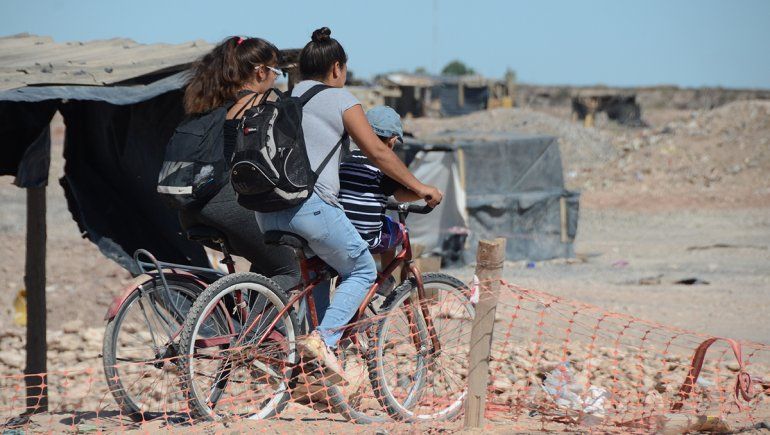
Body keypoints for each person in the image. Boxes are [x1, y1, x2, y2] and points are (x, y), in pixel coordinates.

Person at [255, 27, 443, 383]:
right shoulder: (342, 100)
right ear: (337, 68)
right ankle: (324, 342)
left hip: (267, 211)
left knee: (321, 276)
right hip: (309, 210)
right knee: (361, 269)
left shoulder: (285, 98)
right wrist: (421, 187)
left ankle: (315, 368)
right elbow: (376, 152)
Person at [179, 36, 299, 292]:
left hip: (191, 207)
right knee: (288, 270)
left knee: (268, 261)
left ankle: (255, 328)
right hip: (225, 203)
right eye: (276, 72)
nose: (276, 79)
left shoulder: (209, 104)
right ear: (260, 72)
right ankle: (254, 333)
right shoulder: (259, 105)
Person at [338, 106, 420, 293]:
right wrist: (424, 195)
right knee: (396, 229)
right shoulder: (384, 167)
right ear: (391, 141)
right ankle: (385, 278)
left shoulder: (345, 159)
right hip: (367, 238)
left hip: (341, 234)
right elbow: (400, 195)